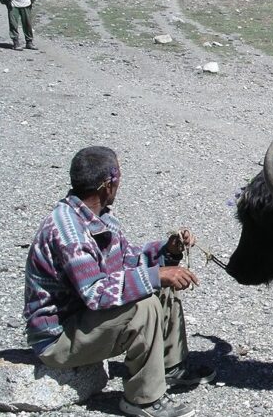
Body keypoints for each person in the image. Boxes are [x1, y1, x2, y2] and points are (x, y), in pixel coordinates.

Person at [23, 146, 215, 417]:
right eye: (120, 176)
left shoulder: (97, 218)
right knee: (144, 305)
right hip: (58, 339)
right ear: (108, 184)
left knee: (161, 288)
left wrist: (168, 251)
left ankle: (169, 368)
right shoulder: (69, 233)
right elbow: (96, 293)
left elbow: (129, 260)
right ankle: (143, 400)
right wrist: (156, 275)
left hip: (83, 319)